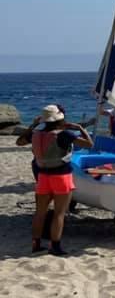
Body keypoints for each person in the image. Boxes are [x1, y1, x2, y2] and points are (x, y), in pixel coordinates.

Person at [16, 104, 93, 255]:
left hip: (43, 176)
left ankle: (36, 244)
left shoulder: (36, 134)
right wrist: (81, 128)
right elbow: (89, 144)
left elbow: (19, 142)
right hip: (61, 176)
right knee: (59, 213)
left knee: (40, 213)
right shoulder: (64, 134)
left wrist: (33, 125)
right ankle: (55, 246)